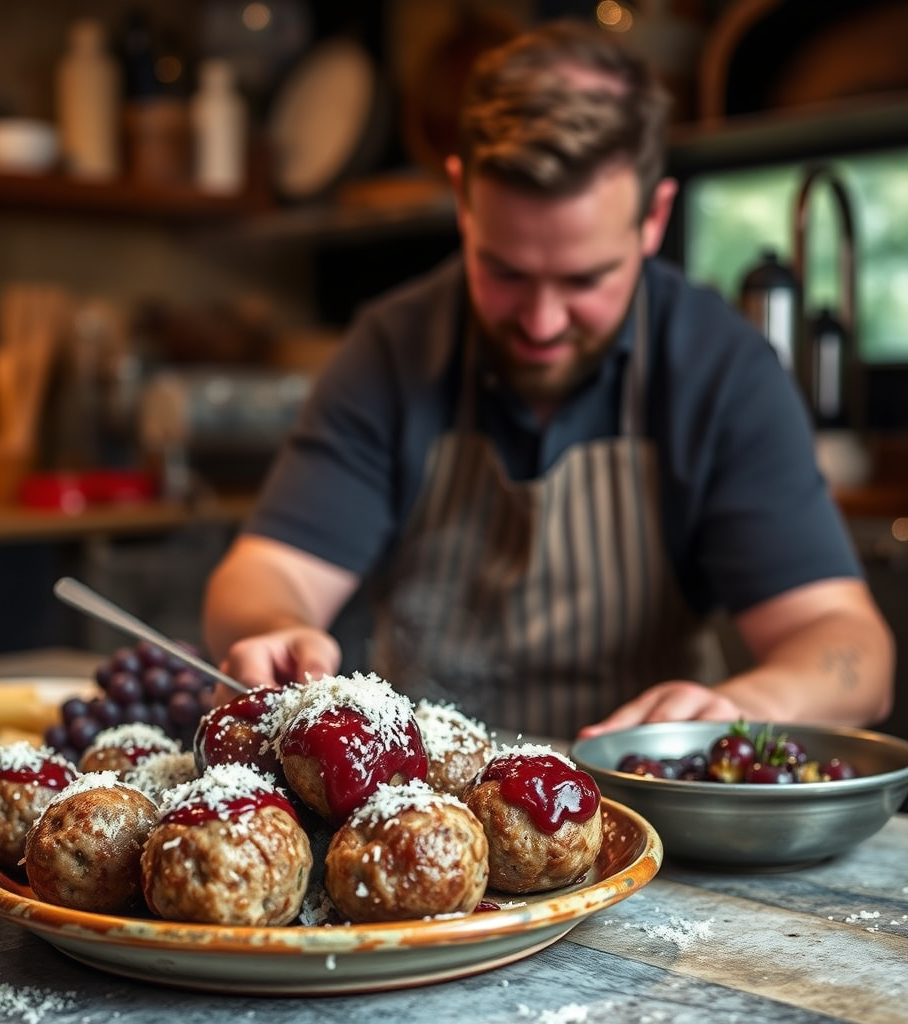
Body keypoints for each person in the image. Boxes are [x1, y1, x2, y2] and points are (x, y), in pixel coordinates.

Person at [201, 18, 893, 740]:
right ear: (463, 200)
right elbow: (264, 572)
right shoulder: (390, 351)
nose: (540, 322)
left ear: (653, 217)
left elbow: (850, 647)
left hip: (640, 805)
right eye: (504, 271)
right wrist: (273, 626)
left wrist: (746, 705)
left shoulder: (722, 371)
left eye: (585, 279)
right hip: (429, 810)